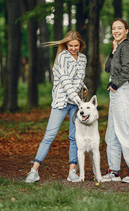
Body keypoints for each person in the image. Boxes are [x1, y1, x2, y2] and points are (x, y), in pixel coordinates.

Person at [25, 31, 87, 183]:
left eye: (76, 46)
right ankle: (34, 171)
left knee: (74, 138)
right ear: (66, 44)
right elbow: (65, 81)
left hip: (75, 103)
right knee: (49, 136)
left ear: (80, 45)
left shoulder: (83, 58)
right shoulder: (62, 57)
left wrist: (83, 87)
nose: (73, 48)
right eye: (70, 45)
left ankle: (72, 172)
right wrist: (79, 101)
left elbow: (79, 78)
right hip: (61, 101)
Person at [102, 18, 129, 183]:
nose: (116, 31)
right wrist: (113, 50)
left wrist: (115, 84)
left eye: (120, 28)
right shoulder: (118, 47)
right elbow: (107, 68)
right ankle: (114, 172)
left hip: (122, 92)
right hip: (115, 95)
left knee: (126, 133)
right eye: (114, 28)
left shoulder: (126, 47)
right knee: (111, 135)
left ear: (126, 30)